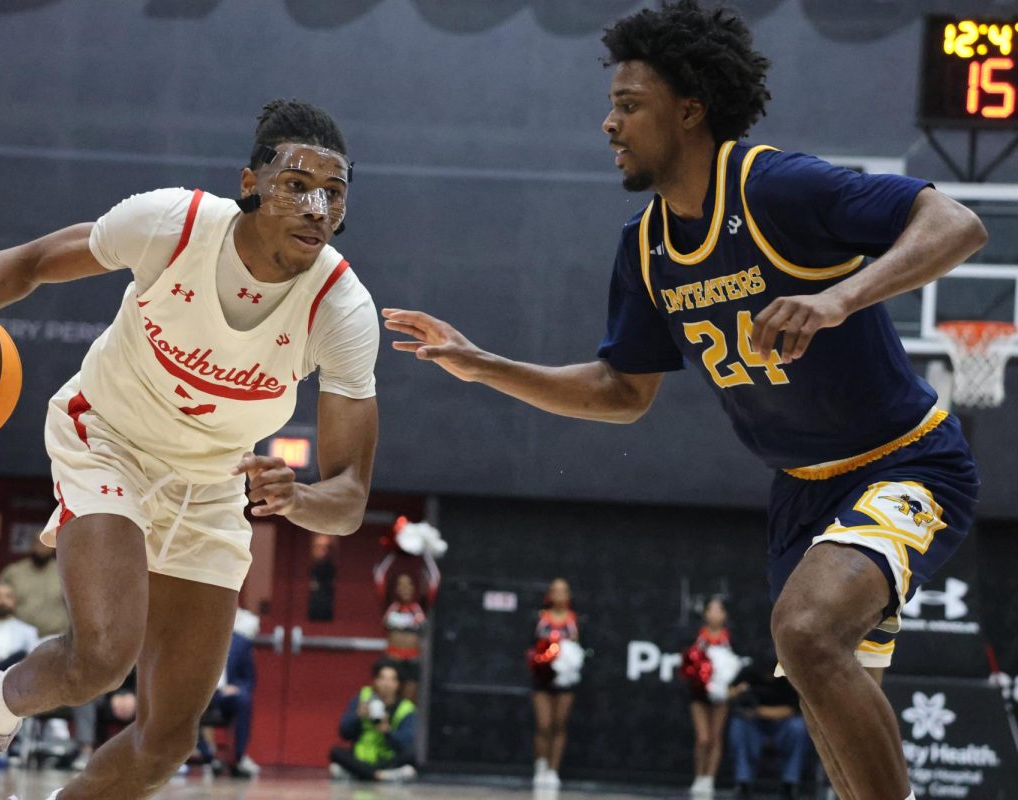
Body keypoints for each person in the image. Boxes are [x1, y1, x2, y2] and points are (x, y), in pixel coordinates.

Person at [382, 2, 986, 797]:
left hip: (907, 463)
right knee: (824, 689)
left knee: (804, 634)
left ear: (690, 110)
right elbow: (621, 392)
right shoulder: (646, 247)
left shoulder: (777, 188)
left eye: (629, 104)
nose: (609, 123)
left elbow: (956, 221)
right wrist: (485, 364)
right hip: (801, 495)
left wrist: (839, 298)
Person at [0, 98, 379, 800]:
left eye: (335, 192)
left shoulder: (342, 309)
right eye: (297, 185)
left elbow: (349, 500)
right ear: (252, 183)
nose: (318, 207)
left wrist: (302, 496)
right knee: (102, 659)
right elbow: (33, 263)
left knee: (168, 740)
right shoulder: (176, 225)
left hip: (212, 484)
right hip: (109, 437)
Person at [727, 660, 811, 800]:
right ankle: (743, 782)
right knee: (738, 726)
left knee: (798, 727)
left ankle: (790, 783)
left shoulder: (789, 674)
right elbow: (729, 694)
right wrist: (737, 692)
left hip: (782, 724)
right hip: (753, 725)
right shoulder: (749, 672)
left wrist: (757, 711)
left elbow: (790, 709)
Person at [528, 577, 579, 790]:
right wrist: (541, 661)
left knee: (559, 725)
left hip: (565, 679)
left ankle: (553, 770)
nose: (559, 595)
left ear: (569, 595)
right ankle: (540, 764)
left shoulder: (575, 620)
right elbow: (530, 648)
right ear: (549, 594)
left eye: (563, 591)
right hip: (542, 678)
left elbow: (584, 649)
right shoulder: (540, 618)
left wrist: (570, 660)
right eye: (555, 591)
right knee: (544, 725)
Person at [329, 661, 417, 783]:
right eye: (382, 678)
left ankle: (360, 774)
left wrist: (387, 732)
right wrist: (357, 716)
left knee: (411, 756)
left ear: (398, 684)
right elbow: (344, 733)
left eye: (392, 680)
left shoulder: (406, 708)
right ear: (375, 681)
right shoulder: (363, 697)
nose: (386, 684)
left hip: (386, 759)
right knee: (335, 752)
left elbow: (406, 742)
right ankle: (379, 776)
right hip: (360, 757)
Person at [199, 608, 259, 778]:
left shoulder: (241, 642)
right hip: (200, 692)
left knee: (243, 699)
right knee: (182, 703)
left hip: (224, 694)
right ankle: (208, 757)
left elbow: (249, 679)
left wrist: (238, 688)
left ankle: (238, 758)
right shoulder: (196, 639)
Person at [683, 597, 733, 798]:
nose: (715, 614)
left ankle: (709, 779)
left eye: (719, 610)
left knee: (715, 737)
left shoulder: (730, 638)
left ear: (725, 615)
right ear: (704, 614)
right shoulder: (696, 636)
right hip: (699, 693)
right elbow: (687, 663)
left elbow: (737, 664)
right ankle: (699, 776)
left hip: (721, 695)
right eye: (710, 610)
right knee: (703, 738)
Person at [0, 538, 68, 640]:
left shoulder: (64, 572)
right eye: (38, 543)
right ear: (31, 546)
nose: (42, 548)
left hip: (54, 636)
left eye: (46, 544)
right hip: (19, 637)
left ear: (52, 548)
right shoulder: (14, 572)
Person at [382, 573, 426, 701]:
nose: (404, 588)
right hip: (393, 657)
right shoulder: (392, 607)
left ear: (413, 588)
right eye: (400, 585)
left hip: (411, 660)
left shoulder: (418, 608)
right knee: (389, 697)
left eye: (408, 585)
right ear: (395, 589)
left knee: (410, 697)